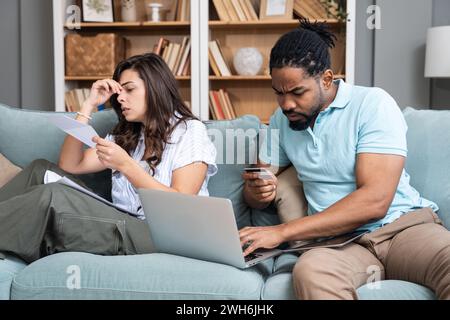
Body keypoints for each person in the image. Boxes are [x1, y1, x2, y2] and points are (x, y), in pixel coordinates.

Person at [241, 19, 450, 300]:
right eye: (278, 93)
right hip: (339, 245)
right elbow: (257, 189)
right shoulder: (282, 120)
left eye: (297, 92)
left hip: (402, 229)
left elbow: (375, 201)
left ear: (326, 79)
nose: (286, 103)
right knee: (311, 271)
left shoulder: (372, 104)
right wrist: (257, 190)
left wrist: (282, 231)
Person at [0, 53, 217, 263]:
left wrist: (126, 165)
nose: (121, 98)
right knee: (41, 170)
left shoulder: (190, 131)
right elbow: (70, 164)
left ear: (156, 88)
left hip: (166, 235)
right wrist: (89, 105)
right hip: (122, 220)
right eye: (119, 92)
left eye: (130, 90)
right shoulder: (128, 134)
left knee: (52, 195)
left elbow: (181, 204)